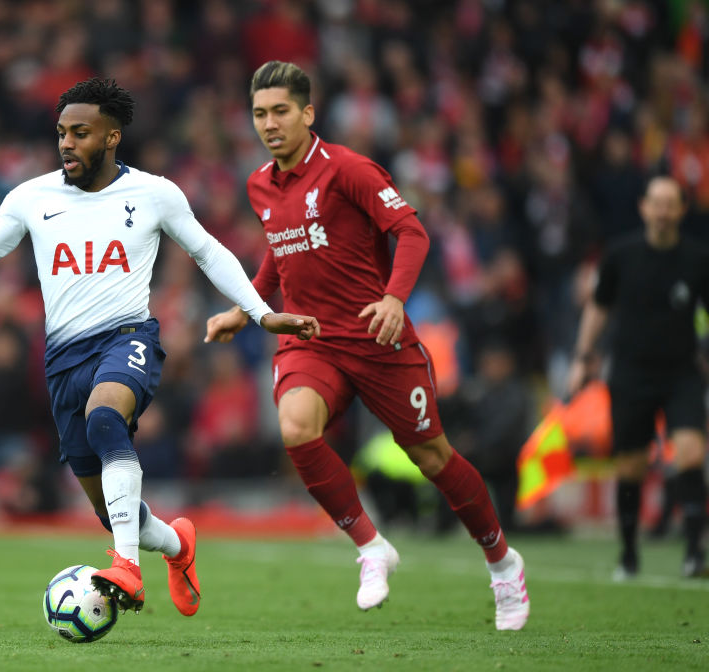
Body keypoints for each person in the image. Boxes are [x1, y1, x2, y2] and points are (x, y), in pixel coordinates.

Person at [0, 78, 320, 616]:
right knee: (112, 508)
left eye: (81, 132)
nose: (66, 143)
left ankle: (126, 568)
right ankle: (177, 546)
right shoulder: (30, 197)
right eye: (61, 133)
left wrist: (261, 312)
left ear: (112, 137)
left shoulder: (155, 194)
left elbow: (209, 254)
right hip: (63, 360)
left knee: (104, 419)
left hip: (127, 338)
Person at [205, 61, 530, 630]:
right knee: (295, 429)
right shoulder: (260, 183)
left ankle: (502, 562)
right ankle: (371, 546)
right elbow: (279, 254)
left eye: (281, 111)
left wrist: (395, 299)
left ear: (308, 113)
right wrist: (245, 308)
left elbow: (411, 231)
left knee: (433, 458)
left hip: (377, 338)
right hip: (312, 339)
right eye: (260, 114)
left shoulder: (349, 169)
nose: (270, 123)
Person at [568, 176, 709, 579]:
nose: (663, 211)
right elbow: (598, 308)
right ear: (643, 207)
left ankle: (694, 553)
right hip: (630, 372)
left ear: (682, 210)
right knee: (630, 465)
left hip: (682, 371)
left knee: (691, 453)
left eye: (671, 203)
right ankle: (629, 554)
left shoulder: (699, 260)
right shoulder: (620, 256)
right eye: (656, 203)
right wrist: (583, 357)